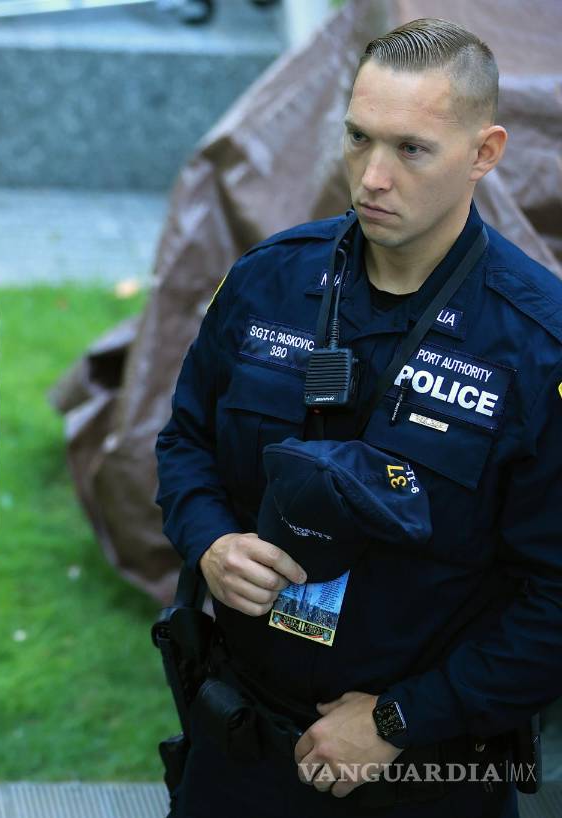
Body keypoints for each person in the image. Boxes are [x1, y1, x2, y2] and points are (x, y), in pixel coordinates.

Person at [155, 17, 562, 818]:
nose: (372, 176)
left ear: (484, 153)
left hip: (424, 769)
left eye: (411, 149)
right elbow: (186, 443)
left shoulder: (538, 344)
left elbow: (555, 599)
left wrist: (398, 720)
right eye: (357, 138)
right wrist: (209, 542)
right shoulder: (271, 281)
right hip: (240, 742)